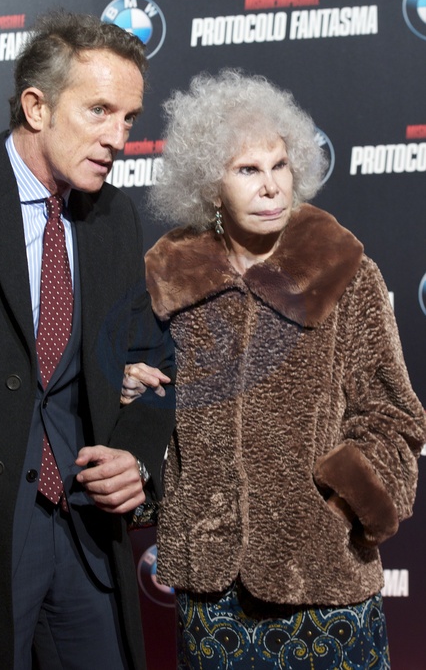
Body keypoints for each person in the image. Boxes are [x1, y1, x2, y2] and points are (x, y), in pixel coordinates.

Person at [122, 69, 426, 669]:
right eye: (248, 169)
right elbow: (156, 423)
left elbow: (393, 417)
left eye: (280, 165)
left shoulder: (345, 272)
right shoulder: (171, 282)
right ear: (211, 187)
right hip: (212, 597)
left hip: (326, 586)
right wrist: (133, 403)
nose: (271, 186)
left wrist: (337, 512)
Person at [0, 10, 175, 670]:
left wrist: (137, 459)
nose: (118, 137)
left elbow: (151, 364)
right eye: (99, 111)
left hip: (87, 532)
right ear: (37, 107)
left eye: (129, 119)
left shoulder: (115, 218)